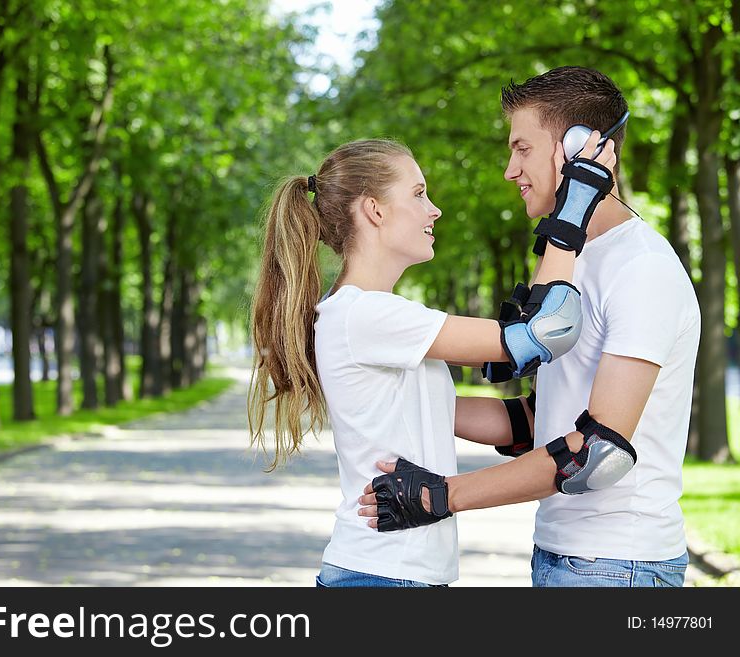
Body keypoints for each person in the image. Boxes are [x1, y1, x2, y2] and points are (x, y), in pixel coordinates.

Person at [360, 66, 700, 588]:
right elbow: (537, 421)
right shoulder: (572, 263)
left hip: (618, 565)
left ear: (581, 145)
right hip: (563, 556)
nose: (509, 169)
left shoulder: (643, 269)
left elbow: (596, 452)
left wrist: (442, 495)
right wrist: (393, 402)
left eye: (522, 148)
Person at [248, 132, 616, 587]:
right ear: (374, 210)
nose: (433, 209)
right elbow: (546, 330)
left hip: (391, 573)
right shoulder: (366, 314)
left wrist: (540, 422)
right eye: (419, 194)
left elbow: (457, 407)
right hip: (384, 574)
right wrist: (576, 199)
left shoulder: (365, 314)